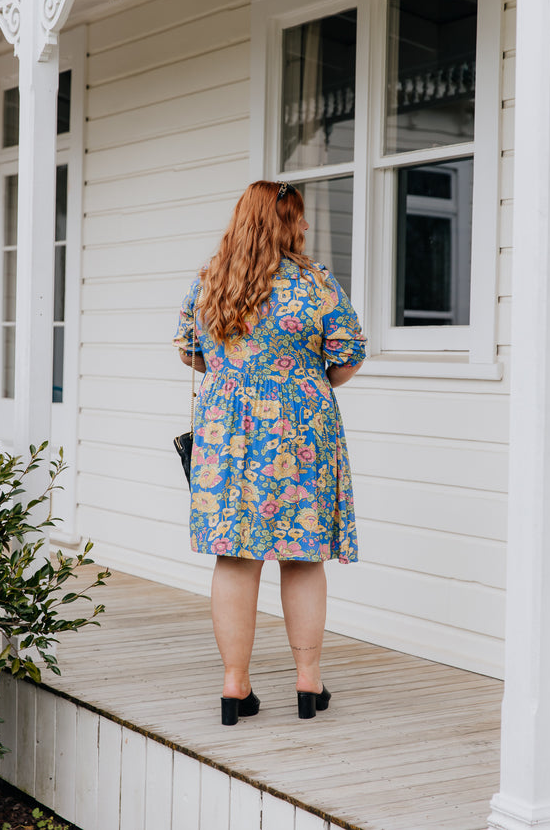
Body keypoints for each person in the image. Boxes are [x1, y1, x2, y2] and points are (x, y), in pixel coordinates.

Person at [173, 180, 366, 725]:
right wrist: (300, 381)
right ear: (282, 223)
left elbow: (190, 352)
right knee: (302, 556)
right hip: (301, 431)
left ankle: (235, 688)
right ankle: (308, 684)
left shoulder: (210, 280)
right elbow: (348, 357)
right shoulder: (315, 284)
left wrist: (236, 376)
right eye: (298, 218)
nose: (305, 227)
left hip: (227, 432)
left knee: (235, 556)